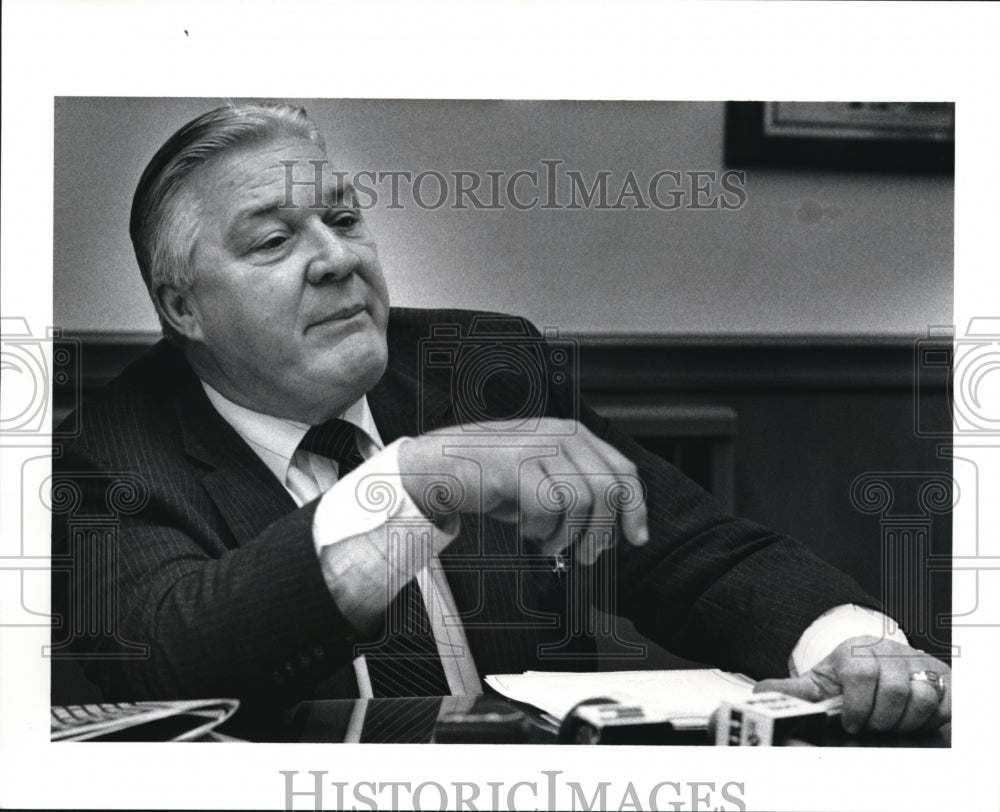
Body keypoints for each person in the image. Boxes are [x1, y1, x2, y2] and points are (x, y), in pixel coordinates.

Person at [52, 102, 950, 736]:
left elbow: (692, 552)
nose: (335, 259)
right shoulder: (104, 446)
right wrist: (412, 481)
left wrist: (855, 650)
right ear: (183, 308)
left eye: (343, 217)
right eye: (274, 241)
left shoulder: (485, 364)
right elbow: (175, 658)